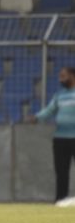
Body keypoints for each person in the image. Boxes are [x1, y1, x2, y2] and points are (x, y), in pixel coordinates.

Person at [33, 66, 75, 203]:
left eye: (63, 76)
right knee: (61, 171)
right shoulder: (59, 95)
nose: (60, 79)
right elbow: (49, 110)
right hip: (60, 138)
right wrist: (37, 117)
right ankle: (61, 200)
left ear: (72, 76)